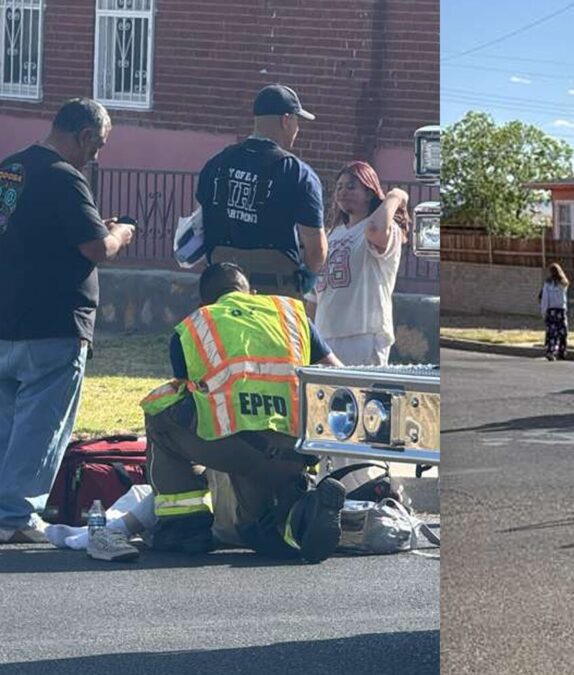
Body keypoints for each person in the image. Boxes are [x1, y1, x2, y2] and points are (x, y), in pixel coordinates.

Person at [140, 263, 347, 562]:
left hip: (240, 449)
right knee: (258, 530)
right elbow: (338, 376)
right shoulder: (290, 314)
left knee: (160, 412)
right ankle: (302, 511)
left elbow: (189, 398)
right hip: (296, 452)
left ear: (204, 303)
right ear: (252, 293)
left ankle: (185, 527)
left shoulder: (196, 325)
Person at [0, 99, 135, 544]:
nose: (96, 156)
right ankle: (16, 515)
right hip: (55, 323)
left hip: (7, 317)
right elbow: (97, 248)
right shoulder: (65, 177)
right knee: (41, 424)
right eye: (98, 146)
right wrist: (120, 232)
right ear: (84, 136)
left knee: (6, 421)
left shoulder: (11, 169)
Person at [197, 84, 327, 299]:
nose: (297, 129)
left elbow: (199, 227)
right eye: (297, 121)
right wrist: (308, 276)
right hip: (274, 293)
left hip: (221, 292)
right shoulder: (297, 173)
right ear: (286, 120)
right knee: (310, 335)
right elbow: (316, 247)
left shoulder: (215, 164)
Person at [313, 161, 409, 366]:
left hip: (363, 335)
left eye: (351, 187)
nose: (342, 192)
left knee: (360, 396)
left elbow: (375, 229)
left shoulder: (383, 228)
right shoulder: (333, 234)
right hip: (325, 336)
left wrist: (396, 196)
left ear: (369, 193)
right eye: (339, 187)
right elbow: (314, 295)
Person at [539, 263, 571, 361]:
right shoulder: (563, 283)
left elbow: (545, 299)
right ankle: (562, 351)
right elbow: (564, 298)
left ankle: (551, 351)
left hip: (552, 311)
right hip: (561, 310)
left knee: (552, 333)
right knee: (563, 332)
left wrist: (544, 312)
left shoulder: (548, 284)